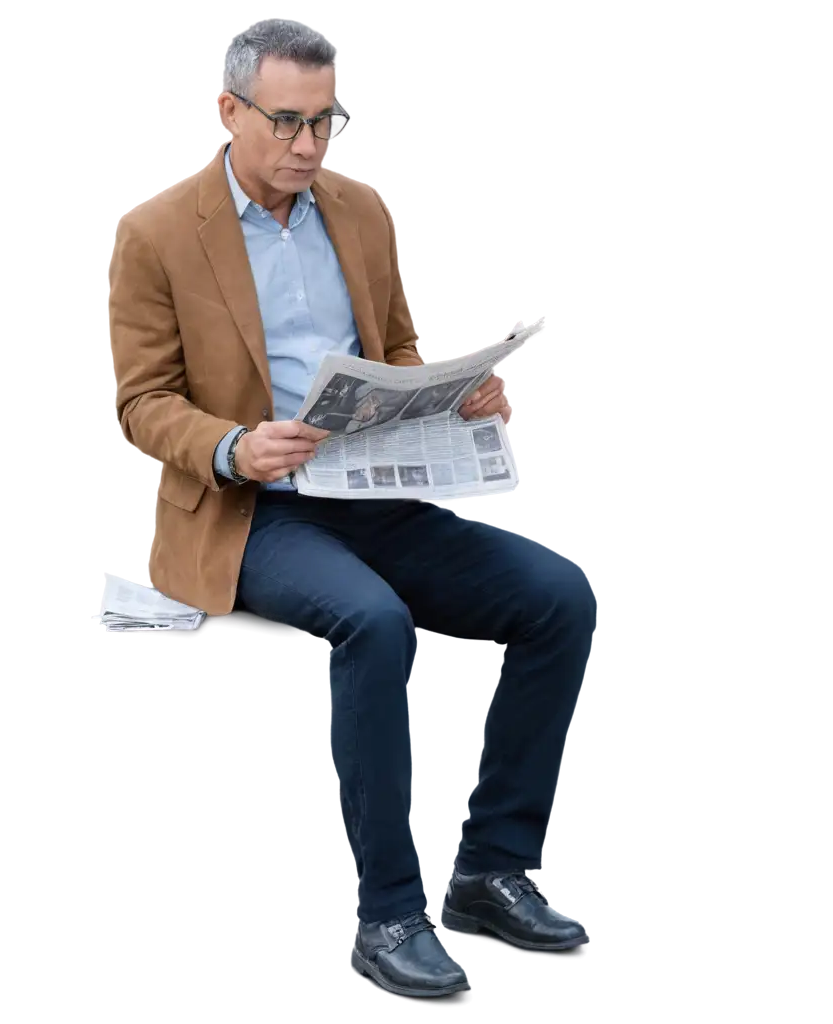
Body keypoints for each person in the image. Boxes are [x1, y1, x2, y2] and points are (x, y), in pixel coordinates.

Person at [106, 16, 598, 1003]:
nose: (307, 145)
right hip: (259, 514)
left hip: (374, 497)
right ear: (226, 111)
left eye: (327, 121)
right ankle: (389, 912)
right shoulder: (156, 233)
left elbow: (396, 352)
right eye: (286, 122)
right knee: (372, 621)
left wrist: (452, 391)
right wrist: (233, 445)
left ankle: (491, 870)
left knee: (560, 594)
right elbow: (140, 401)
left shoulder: (361, 213)